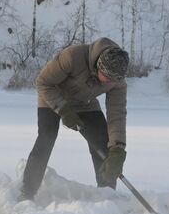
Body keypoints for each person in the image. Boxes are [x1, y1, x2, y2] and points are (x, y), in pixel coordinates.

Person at [20, 38, 129, 201]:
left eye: (114, 80)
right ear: (99, 65)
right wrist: (63, 110)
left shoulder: (116, 82)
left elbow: (117, 114)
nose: (109, 82)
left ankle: (107, 196)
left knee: (103, 143)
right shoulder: (72, 56)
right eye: (106, 77)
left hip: (85, 103)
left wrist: (118, 149)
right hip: (52, 97)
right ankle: (26, 192)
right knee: (46, 137)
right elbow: (43, 82)